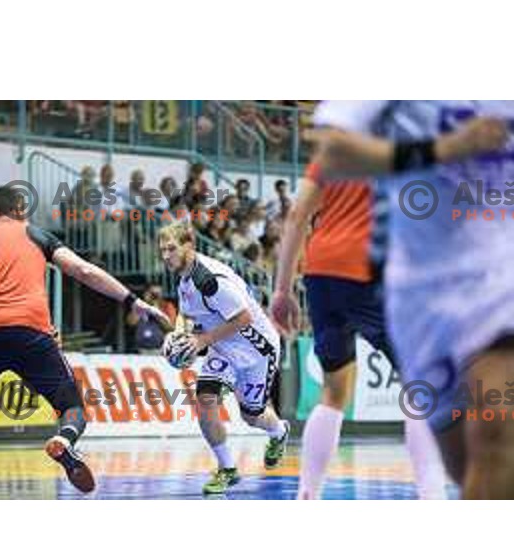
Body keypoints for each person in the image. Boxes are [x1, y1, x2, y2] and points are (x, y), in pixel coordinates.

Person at [272, 103, 511, 499]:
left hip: (321, 273)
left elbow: (297, 214)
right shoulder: (403, 154)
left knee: (333, 391)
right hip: (371, 270)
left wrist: (282, 289)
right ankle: (430, 493)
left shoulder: (340, 153)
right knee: (420, 387)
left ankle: (307, 494)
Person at [0, 185, 170, 499]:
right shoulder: (38, 236)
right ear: (21, 209)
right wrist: (133, 300)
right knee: (72, 407)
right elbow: (83, 270)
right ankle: (64, 439)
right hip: (32, 334)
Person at [158, 222, 290, 495]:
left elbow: (244, 318)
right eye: (162, 250)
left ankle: (278, 432)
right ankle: (227, 469)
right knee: (205, 399)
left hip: (257, 349)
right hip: (224, 347)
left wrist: (202, 340)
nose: (165, 255)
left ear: (189, 245)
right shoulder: (185, 275)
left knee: (251, 416)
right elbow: (187, 312)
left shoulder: (210, 280)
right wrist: (178, 334)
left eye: (171, 248)